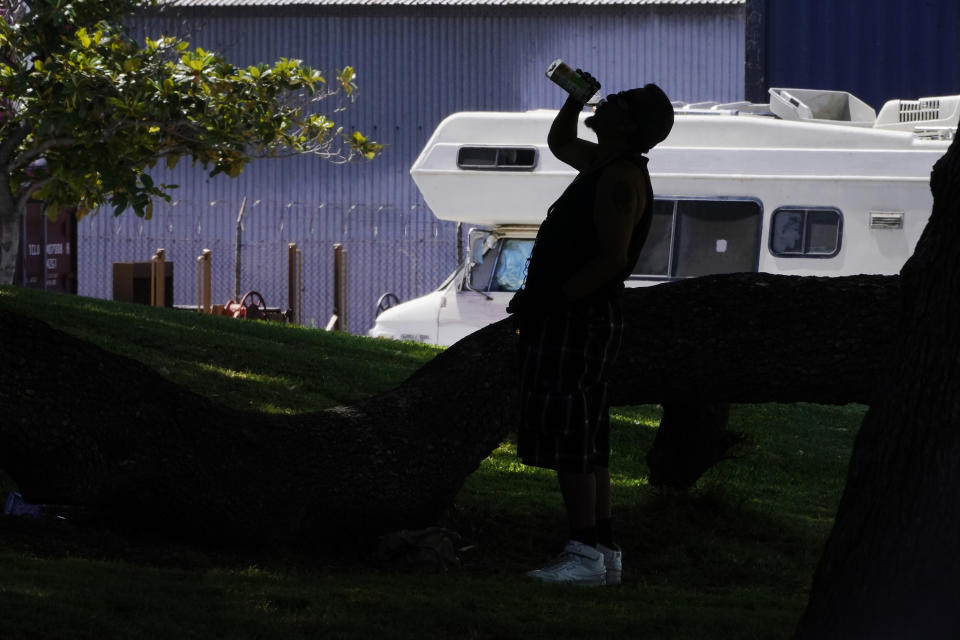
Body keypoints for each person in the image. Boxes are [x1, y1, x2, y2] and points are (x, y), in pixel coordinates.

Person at [507, 72, 674, 586]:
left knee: (573, 433)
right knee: (587, 433)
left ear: (629, 127)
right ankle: (602, 552)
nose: (607, 103)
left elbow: (610, 260)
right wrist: (573, 101)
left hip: (578, 319)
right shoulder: (604, 163)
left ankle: (583, 552)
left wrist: (549, 302)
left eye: (616, 104)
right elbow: (560, 141)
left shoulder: (620, 177)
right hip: (579, 317)